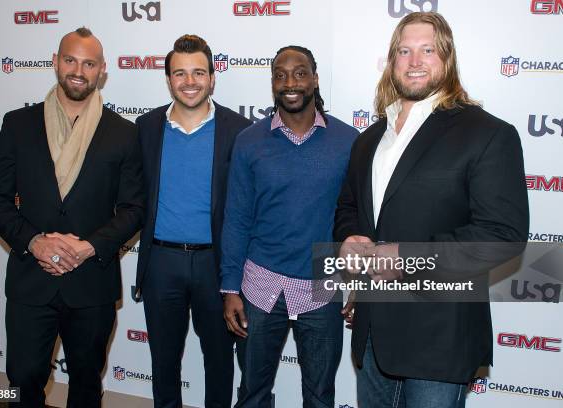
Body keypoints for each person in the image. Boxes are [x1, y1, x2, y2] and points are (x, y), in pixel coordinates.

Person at [334, 12, 529, 408]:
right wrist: (348, 238)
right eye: (404, 51)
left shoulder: (488, 134)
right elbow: (349, 208)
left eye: (427, 50)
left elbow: (502, 236)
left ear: (447, 58)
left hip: (440, 337)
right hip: (373, 333)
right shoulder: (370, 138)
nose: (415, 61)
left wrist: (407, 259)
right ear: (392, 61)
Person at [0, 27, 144, 408]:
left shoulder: (124, 133)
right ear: (55, 62)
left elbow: (134, 208)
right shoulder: (17, 124)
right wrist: (36, 242)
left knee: (86, 384)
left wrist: (87, 247)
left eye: (89, 64)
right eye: (70, 60)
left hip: (91, 284)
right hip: (30, 282)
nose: (78, 70)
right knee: (22, 382)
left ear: (102, 71)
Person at [221, 45, 358, 408]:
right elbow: (236, 218)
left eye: (299, 73)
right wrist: (230, 287)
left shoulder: (348, 141)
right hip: (260, 285)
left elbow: (358, 219)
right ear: (272, 83)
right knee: (252, 391)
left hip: (322, 287)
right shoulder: (250, 140)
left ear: (314, 78)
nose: (289, 82)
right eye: (280, 75)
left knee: (319, 396)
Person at [134, 34, 251, 408]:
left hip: (215, 265)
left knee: (219, 362)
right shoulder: (146, 127)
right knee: (163, 362)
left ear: (213, 78)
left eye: (199, 72)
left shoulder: (240, 130)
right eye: (180, 73)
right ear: (168, 79)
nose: (190, 81)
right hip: (160, 263)